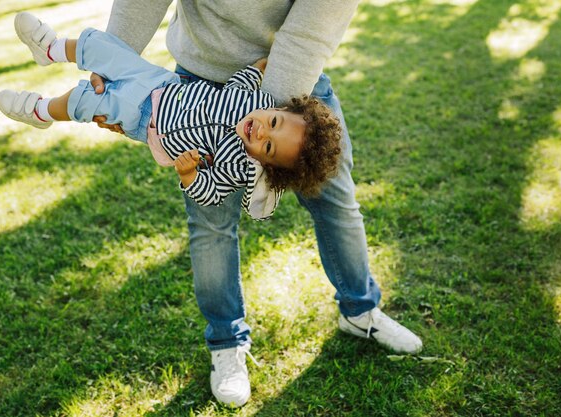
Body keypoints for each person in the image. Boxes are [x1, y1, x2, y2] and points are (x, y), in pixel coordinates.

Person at [87, 0, 425, 408]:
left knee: (336, 201)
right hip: (199, 86)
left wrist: (264, 125)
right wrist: (113, 65)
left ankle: (360, 310)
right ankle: (226, 343)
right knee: (211, 226)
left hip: (291, 80)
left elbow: (311, 27)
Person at [0, 13, 343, 219]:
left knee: (88, 101)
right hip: (162, 84)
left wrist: (191, 173)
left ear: (269, 167)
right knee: (108, 49)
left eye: (268, 147)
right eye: (274, 123)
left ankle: (40, 110)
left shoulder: (241, 166)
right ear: (281, 109)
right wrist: (258, 66)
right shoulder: (257, 101)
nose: (261, 132)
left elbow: (212, 193)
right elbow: (241, 81)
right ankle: (51, 48)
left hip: (148, 121)